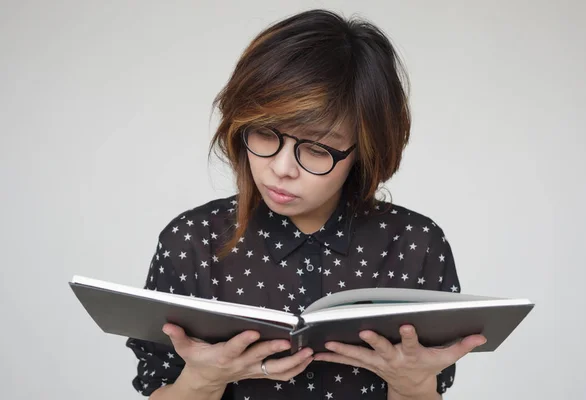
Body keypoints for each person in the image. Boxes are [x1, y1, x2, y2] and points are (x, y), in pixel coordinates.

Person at [125, 8, 487, 400]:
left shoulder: (416, 245)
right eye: (264, 133)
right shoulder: (192, 241)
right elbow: (158, 384)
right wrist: (204, 381)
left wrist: (412, 386)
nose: (281, 169)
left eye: (316, 149)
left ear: (364, 152)